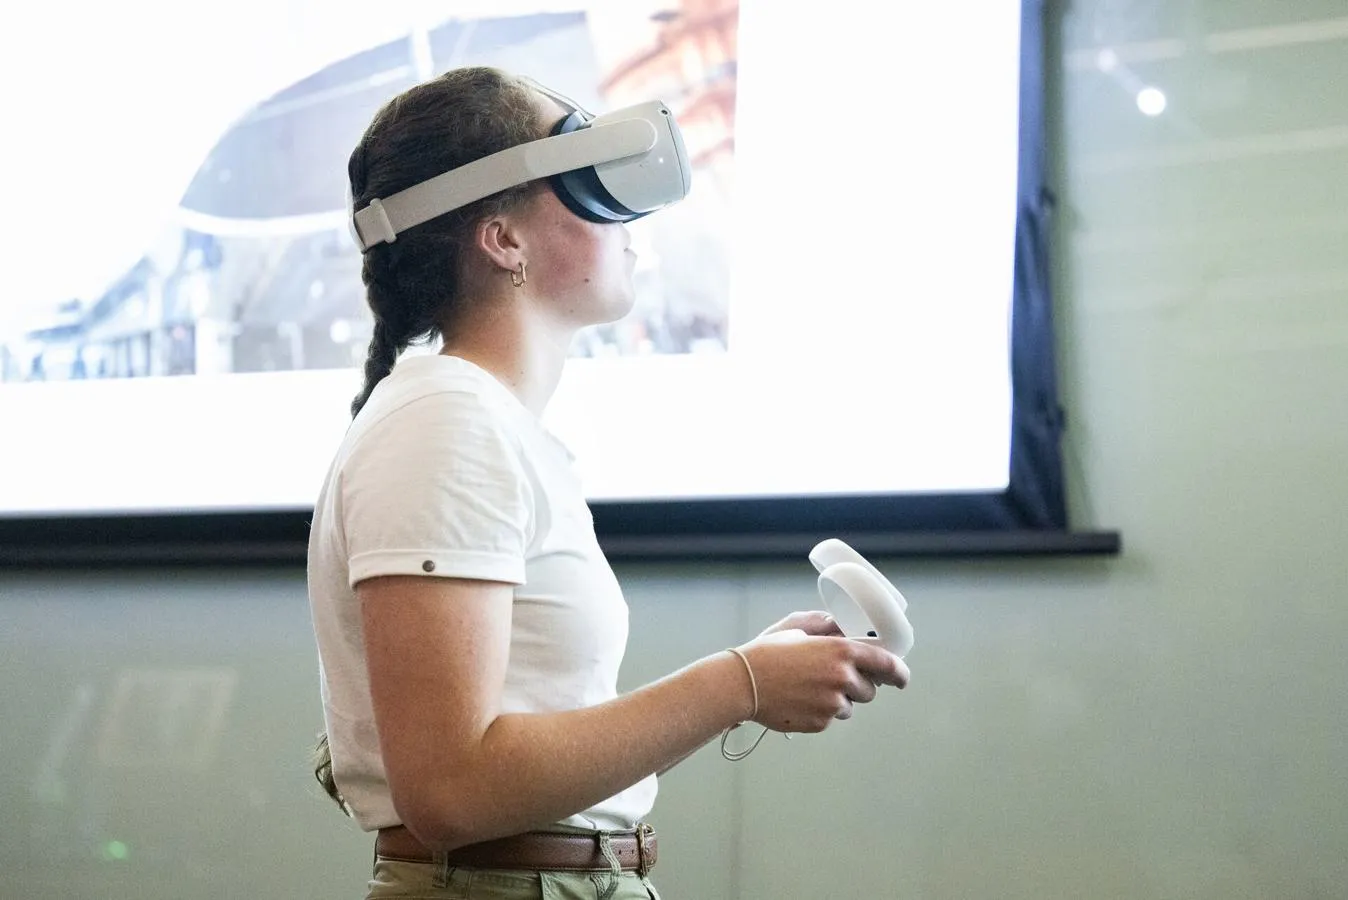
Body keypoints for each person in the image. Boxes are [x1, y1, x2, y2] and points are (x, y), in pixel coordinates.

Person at [305, 66, 910, 900]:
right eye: (582, 179)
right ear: (502, 239)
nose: (628, 220)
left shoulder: (480, 422)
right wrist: (739, 682)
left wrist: (753, 677)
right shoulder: (445, 421)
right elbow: (450, 791)